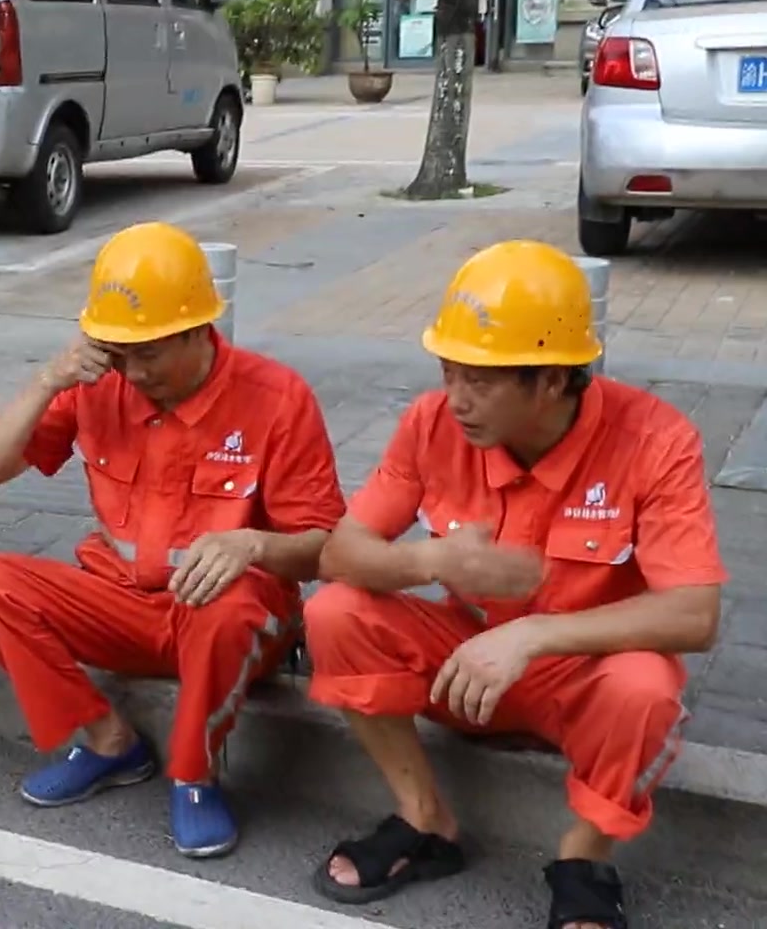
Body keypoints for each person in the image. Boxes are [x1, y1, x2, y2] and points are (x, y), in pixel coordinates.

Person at [306, 240, 724, 929]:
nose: (456, 399)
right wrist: (431, 562)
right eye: (448, 371)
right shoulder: (430, 424)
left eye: (481, 379)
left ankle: (584, 861)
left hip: (581, 683)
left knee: (647, 687)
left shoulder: (655, 440)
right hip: (465, 669)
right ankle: (424, 820)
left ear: (554, 380)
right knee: (335, 613)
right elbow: (340, 552)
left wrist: (533, 634)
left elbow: (695, 614)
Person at [0, 222, 345, 858]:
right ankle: (108, 741)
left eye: (149, 353)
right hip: (122, 604)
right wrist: (50, 380)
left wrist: (252, 548)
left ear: (198, 331)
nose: (133, 371)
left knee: (231, 606)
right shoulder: (98, 386)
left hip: (224, 617)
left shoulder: (276, 398)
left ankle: (195, 776)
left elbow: (324, 544)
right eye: (118, 350)